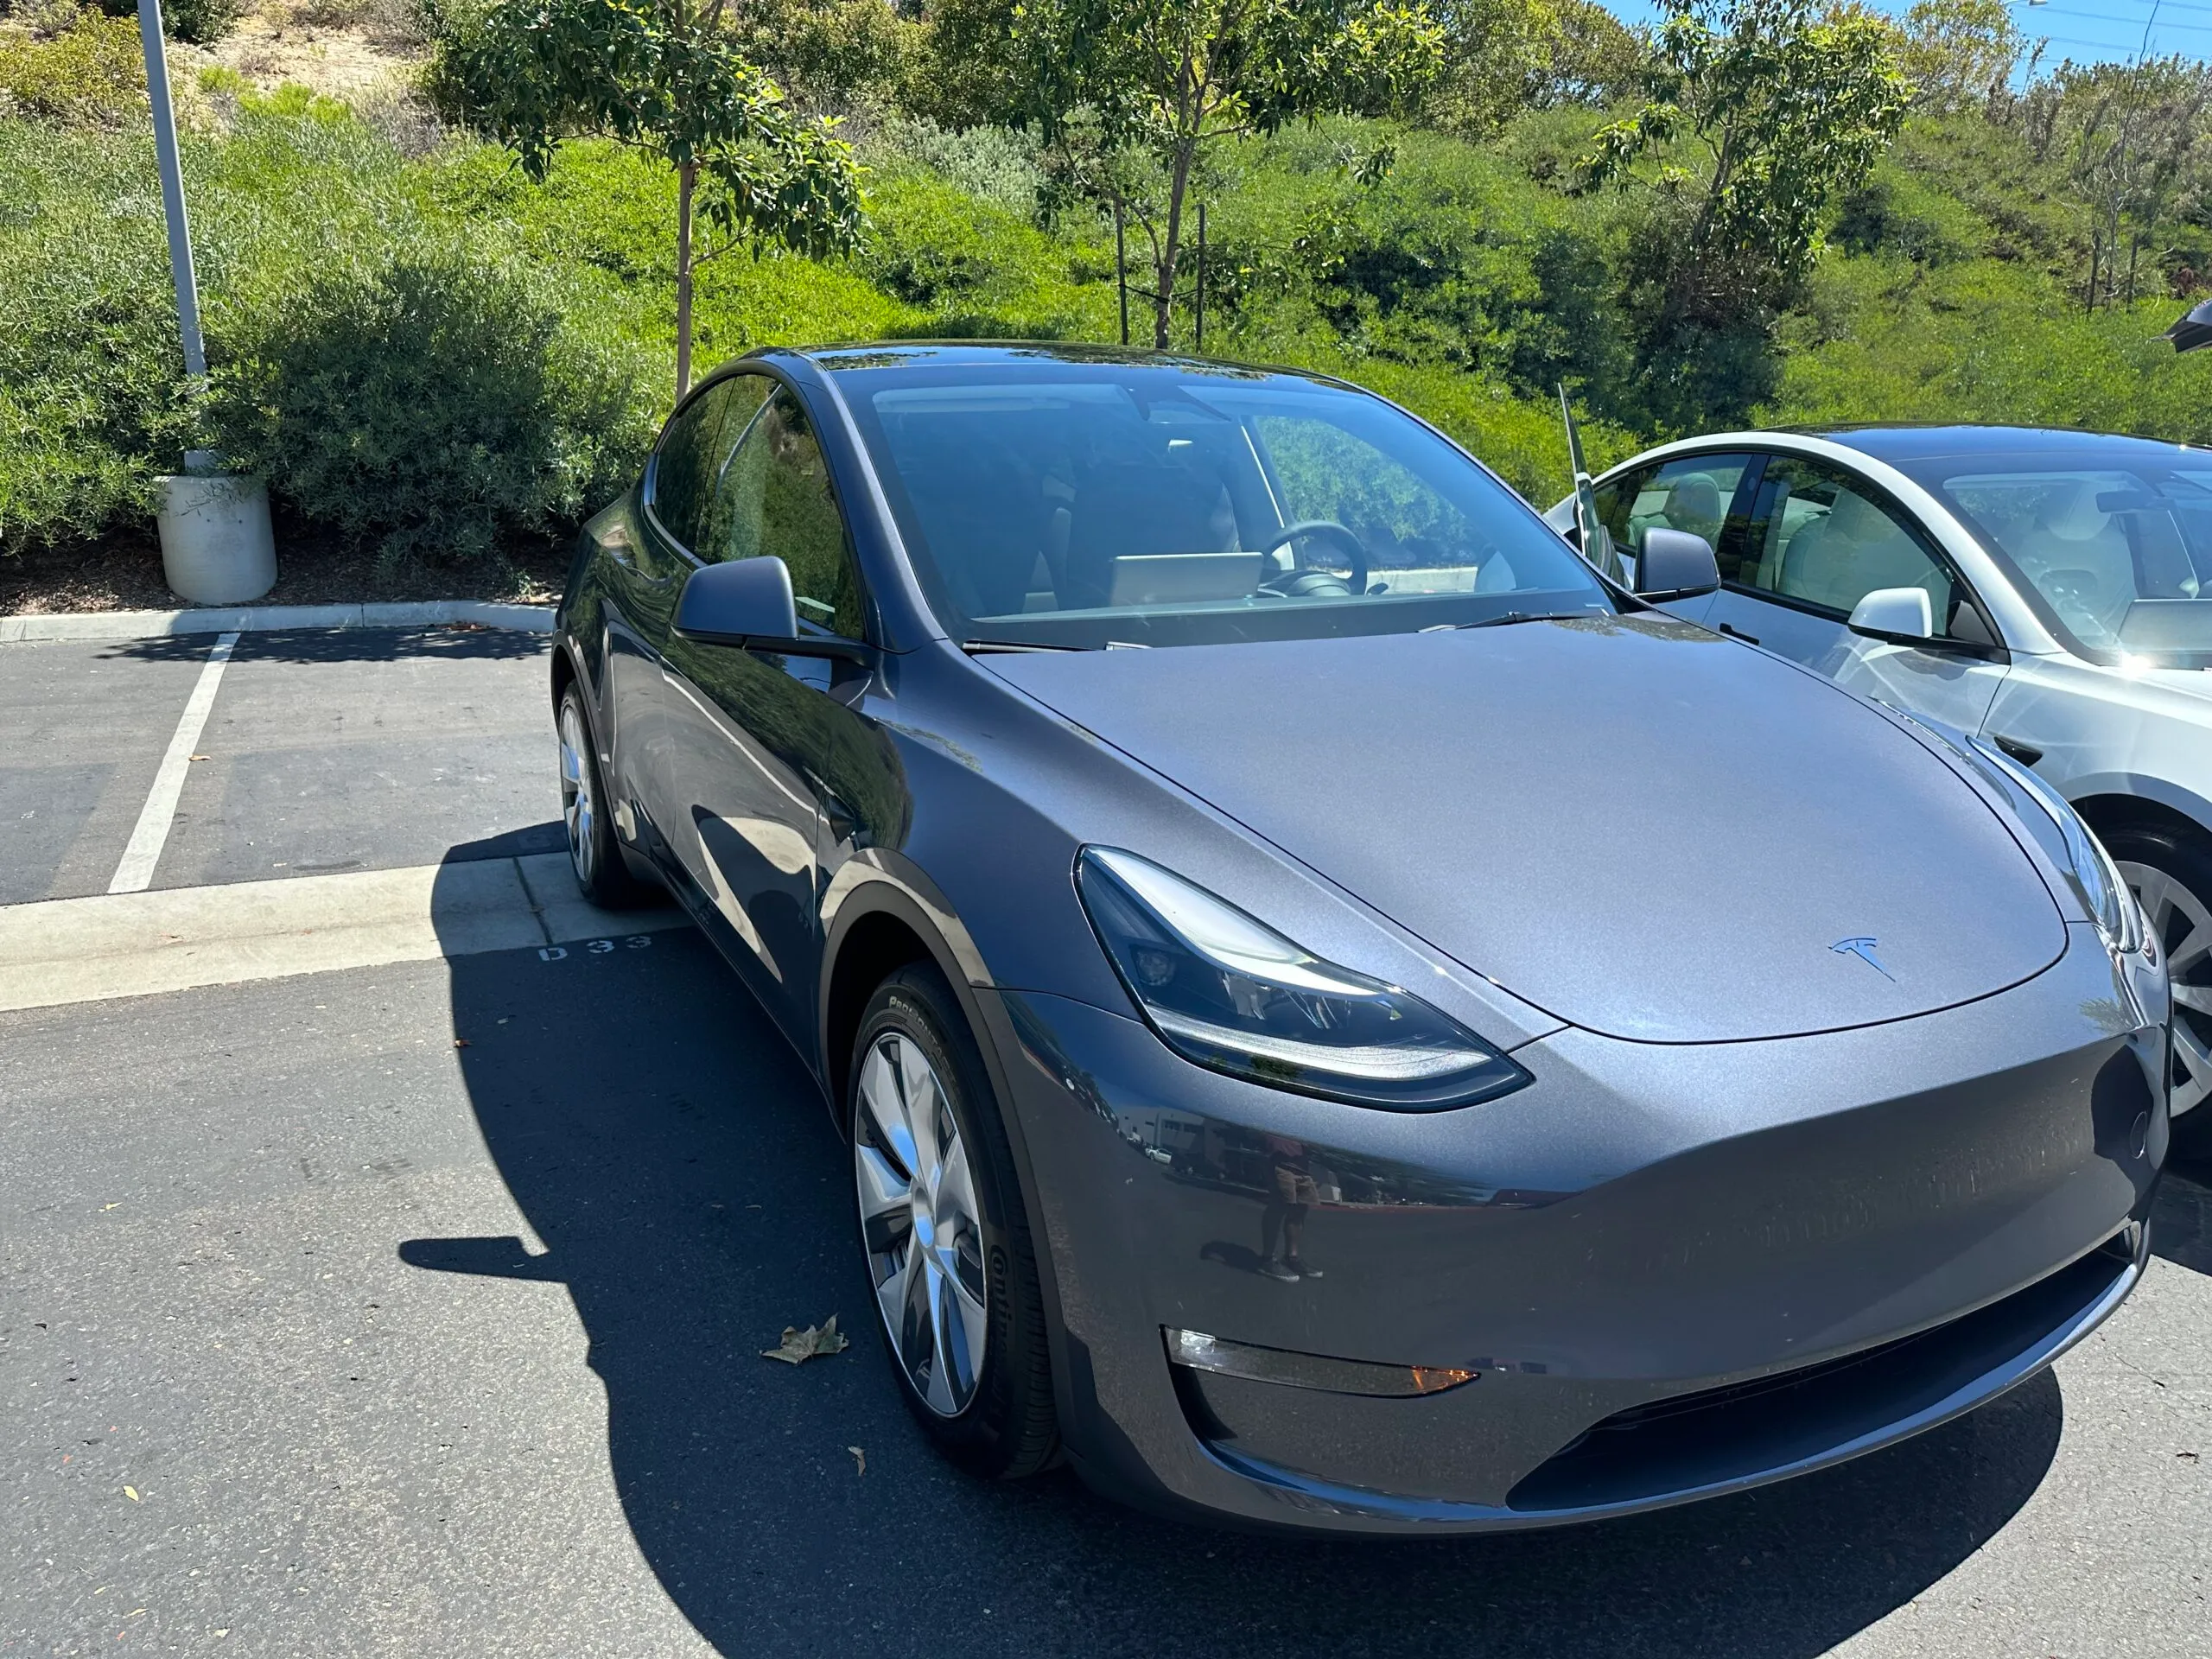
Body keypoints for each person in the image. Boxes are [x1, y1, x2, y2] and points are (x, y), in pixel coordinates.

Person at [1257, 1134, 1323, 1282]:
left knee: (1300, 1210)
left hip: (1302, 1167)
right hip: (1279, 1161)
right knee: (1278, 1206)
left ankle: (1291, 1258)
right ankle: (1267, 1259)